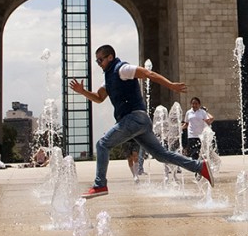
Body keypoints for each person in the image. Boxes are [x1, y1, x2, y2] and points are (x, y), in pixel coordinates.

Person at [69, 44, 214, 198]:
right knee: (161, 155)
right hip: (140, 122)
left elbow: (148, 73)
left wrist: (170, 85)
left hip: (133, 118)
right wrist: (83, 92)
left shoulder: (122, 69)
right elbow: (99, 98)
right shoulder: (109, 78)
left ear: (110, 57)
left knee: (102, 144)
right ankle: (200, 167)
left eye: (100, 60)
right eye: (97, 61)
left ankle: (100, 185)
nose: (99, 64)